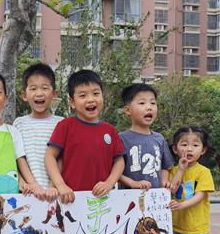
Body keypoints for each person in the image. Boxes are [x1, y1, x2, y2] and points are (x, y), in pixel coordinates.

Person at [45, 69, 124, 203]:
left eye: (96, 93)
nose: (91, 99)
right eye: (83, 95)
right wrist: (60, 185)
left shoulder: (110, 130)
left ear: (103, 96)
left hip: (103, 200)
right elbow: (50, 156)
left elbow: (119, 161)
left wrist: (109, 183)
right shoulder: (65, 126)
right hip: (71, 199)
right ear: (72, 102)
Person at [13, 63, 62, 201]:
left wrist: (54, 185)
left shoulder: (62, 123)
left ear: (54, 94)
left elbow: (62, 158)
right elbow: (17, 158)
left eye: (45, 88)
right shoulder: (19, 123)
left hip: (56, 193)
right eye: (33, 88)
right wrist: (26, 183)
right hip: (27, 194)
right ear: (24, 95)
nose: (39, 93)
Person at [119, 83, 174, 190]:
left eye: (153, 103)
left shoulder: (159, 139)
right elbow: (113, 171)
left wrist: (164, 183)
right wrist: (132, 183)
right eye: (142, 103)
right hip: (129, 197)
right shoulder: (121, 139)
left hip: (155, 197)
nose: (149, 107)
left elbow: (165, 166)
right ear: (128, 110)